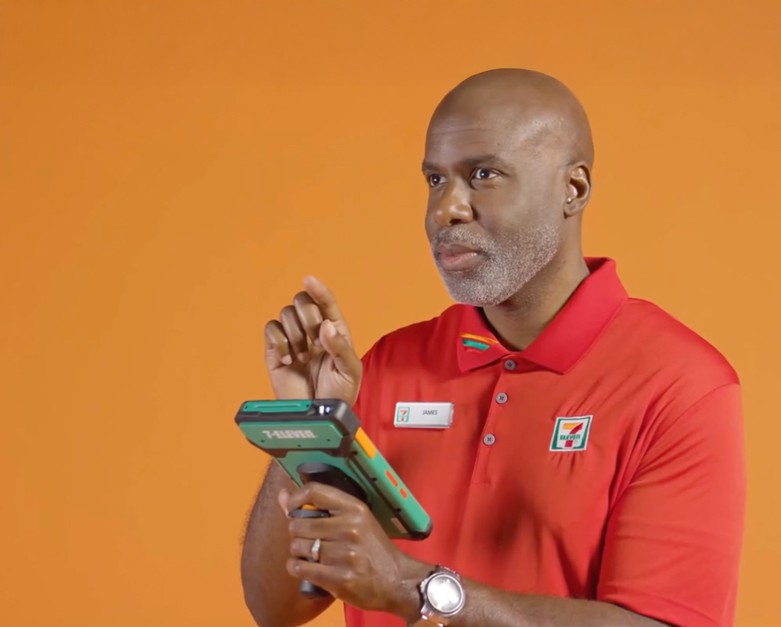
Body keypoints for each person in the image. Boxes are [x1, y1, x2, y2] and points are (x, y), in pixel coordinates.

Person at [240, 68, 745, 627]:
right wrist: (312, 422)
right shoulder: (385, 366)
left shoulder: (680, 384)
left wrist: (412, 588)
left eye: (484, 175)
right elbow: (276, 608)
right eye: (435, 180)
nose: (445, 210)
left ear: (573, 189)